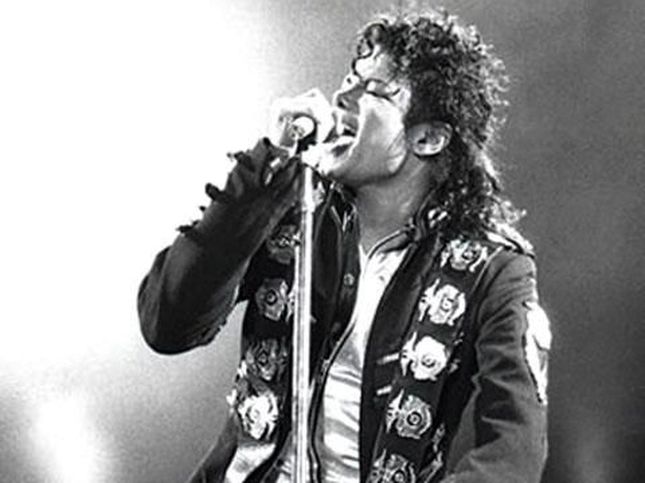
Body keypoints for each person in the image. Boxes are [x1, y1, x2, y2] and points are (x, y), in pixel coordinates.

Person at [138, 7, 551, 483]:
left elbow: (512, 454)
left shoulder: (491, 268)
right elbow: (166, 324)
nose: (341, 96)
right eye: (350, 79)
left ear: (428, 138)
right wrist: (265, 172)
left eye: (373, 89)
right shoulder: (288, 208)